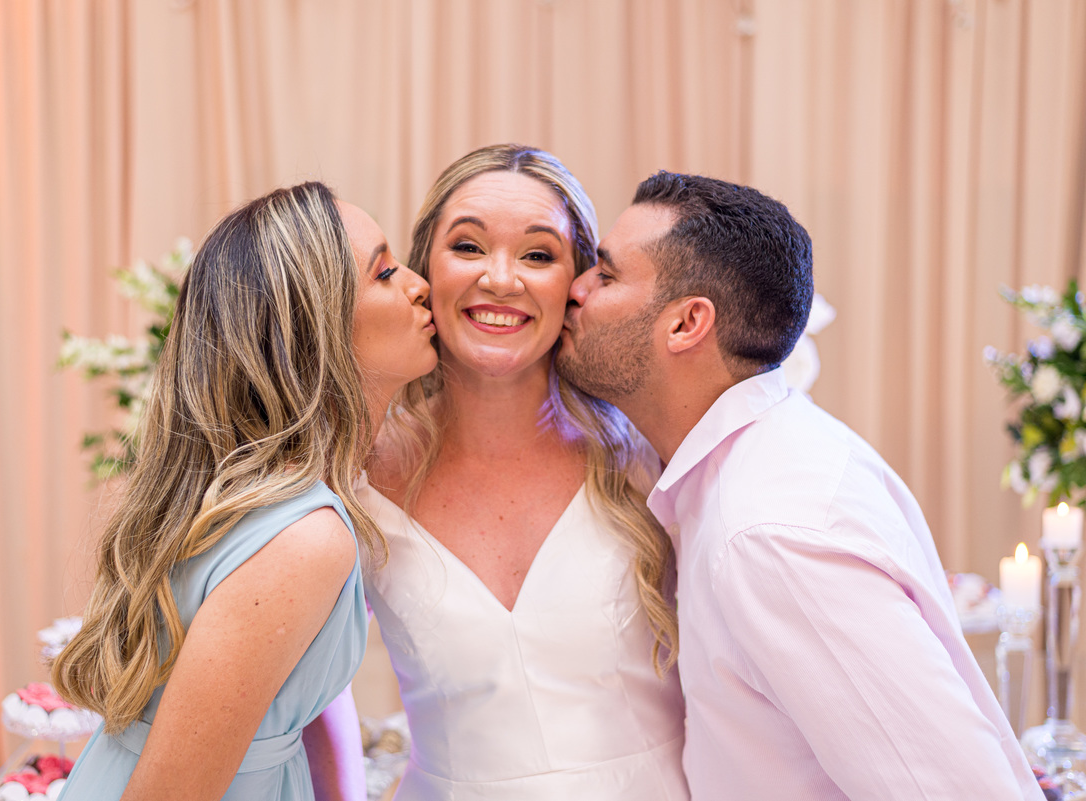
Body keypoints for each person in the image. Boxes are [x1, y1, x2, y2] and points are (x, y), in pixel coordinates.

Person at [556, 171, 1045, 800]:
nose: (575, 287)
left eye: (606, 273)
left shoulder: (772, 531)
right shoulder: (748, 468)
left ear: (685, 324)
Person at [52, 182, 438, 801]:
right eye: (385, 272)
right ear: (315, 332)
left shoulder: (279, 500)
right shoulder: (303, 537)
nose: (420, 284)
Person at [361, 144, 690, 799]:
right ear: (425, 268)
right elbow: (306, 689)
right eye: (468, 247)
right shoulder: (360, 472)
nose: (501, 280)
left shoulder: (649, 458)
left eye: (538, 255)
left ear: (579, 283)